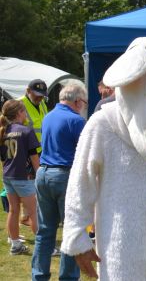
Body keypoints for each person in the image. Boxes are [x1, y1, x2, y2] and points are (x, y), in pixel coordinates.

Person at [31, 85, 87, 281]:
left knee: (45, 231)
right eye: (84, 103)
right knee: (71, 231)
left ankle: (38, 275)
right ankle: (68, 278)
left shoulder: (48, 117)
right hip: (64, 176)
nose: (83, 107)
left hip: (43, 173)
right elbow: (85, 153)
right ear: (78, 101)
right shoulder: (77, 120)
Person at [0, 100, 40, 255]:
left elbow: (4, 158)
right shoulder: (26, 131)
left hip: (8, 176)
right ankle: (45, 247)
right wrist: (39, 174)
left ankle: (15, 244)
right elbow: (34, 156)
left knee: (13, 210)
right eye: (24, 111)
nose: (26, 114)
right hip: (24, 176)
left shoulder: (4, 131)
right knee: (34, 212)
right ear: (18, 113)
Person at [18, 79, 48, 227]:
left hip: (42, 151)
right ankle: (27, 215)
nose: (39, 98)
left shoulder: (42, 103)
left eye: (42, 95)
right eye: (36, 95)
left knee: (38, 183)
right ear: (28, 91)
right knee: (28, 185)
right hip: (26, 153)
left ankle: (30, 214)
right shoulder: (19, 105)